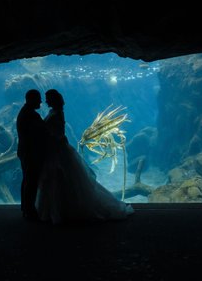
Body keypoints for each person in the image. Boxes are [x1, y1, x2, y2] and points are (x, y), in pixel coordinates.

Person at [36, 89, 134, 224]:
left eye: (47, 98)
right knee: (59, 179)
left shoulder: (58, 113)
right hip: (55, 149)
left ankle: (62, 210)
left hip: (57, 150)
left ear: (53, 99)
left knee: (61, 178)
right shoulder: (53, 112)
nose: (45, 101)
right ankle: (58, 210)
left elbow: (59, 134)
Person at [16, 89, 49, 221]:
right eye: (38, 98)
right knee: (31, 181)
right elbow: (40, 133)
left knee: (27, 180)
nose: (40, 101)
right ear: (31, 99)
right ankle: (29, 209)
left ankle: (26, 208)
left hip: (25, 151)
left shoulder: (25, 112)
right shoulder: (31, 115)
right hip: (30, 152)